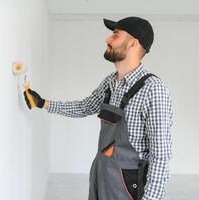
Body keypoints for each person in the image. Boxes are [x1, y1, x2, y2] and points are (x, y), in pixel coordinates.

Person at [23, 16, 172, 200]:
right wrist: (42, 103)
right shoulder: (111, 81)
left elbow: (161, 155)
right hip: (102, 173)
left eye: (115, 35)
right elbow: (86, 106)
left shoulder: (153, 90)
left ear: (133, 44)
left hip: (128, 183)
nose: (107, 39)